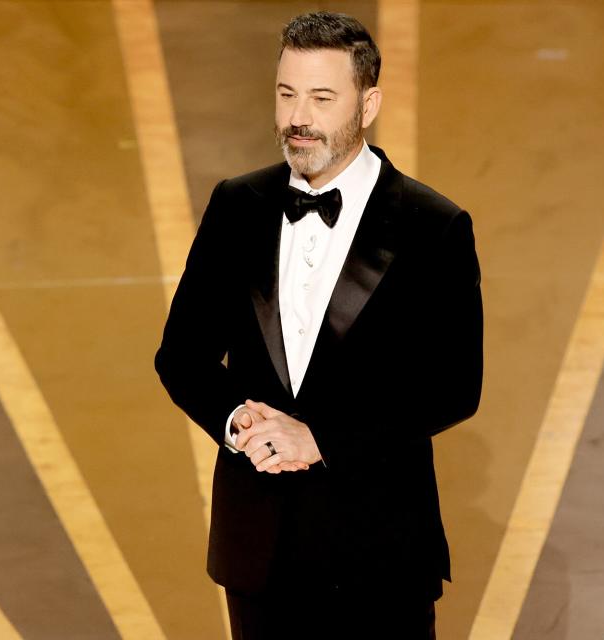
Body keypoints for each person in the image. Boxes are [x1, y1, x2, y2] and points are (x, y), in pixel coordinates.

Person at [155, 11, 482, 639]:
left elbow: (453, 387)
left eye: (322, 97)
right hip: (257, 548)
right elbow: (182, 355)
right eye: (286, 93)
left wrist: (320, 439)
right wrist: (236, 419)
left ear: (369, 103)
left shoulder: (433, 227)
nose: (297, 116)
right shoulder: (236, 206)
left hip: (380, 552)